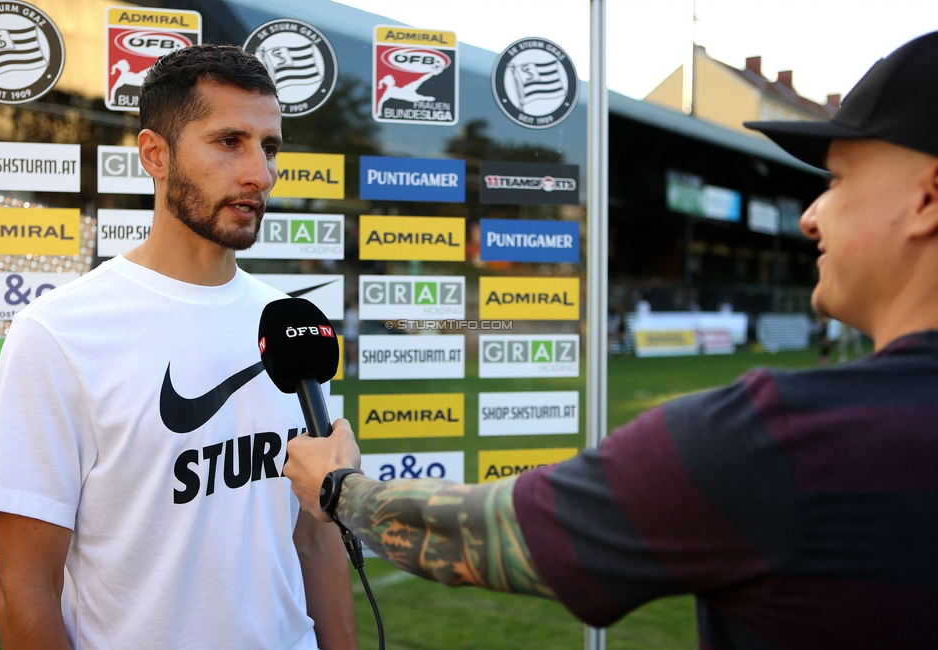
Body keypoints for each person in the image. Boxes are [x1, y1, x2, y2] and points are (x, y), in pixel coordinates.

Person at [283, 31, 938, 649]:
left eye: (839, 179)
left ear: (928, 198)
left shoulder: (779, 438)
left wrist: (338, 487)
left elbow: (479, 534)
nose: (811, 215)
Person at [0, 45, 356, 649]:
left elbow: (314, 537)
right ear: (155, 154)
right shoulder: (59, 333)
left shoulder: (289, 324)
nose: (261, 173)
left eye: (269, 147)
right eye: (230, 142)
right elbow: (26, 589)